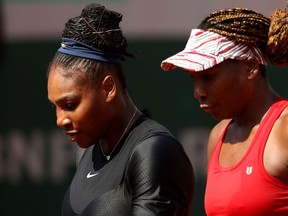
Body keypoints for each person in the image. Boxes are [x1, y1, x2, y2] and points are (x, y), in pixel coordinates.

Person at [47, 3, 195, 216]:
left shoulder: (154, 151)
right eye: (56, 107)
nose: (61, 120)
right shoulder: (86, 151)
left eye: (69, 106)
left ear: (108, 88)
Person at [161, 4, 288, 216]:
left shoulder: (284, 129)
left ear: (250, 68)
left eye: (209, 77)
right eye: (194, 79)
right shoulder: (217, 136)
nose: (198, 92)